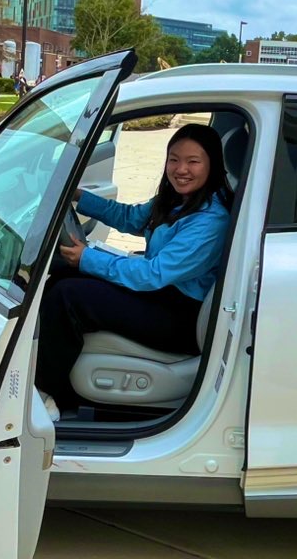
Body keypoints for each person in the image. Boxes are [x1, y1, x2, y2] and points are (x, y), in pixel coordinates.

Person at [35, 124, 234, 420]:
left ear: (212, 165)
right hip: (163, 296)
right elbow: (129, 217)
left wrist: (88, 259)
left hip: (180, 317)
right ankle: (53, 382)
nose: (181, 169)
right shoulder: (178, 200)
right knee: (63, 277)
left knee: (68, 296)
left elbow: (153, 274)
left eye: (193, 161)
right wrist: (77, 196)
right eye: (174, 159)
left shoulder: (210, 219)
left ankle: (46, 394)